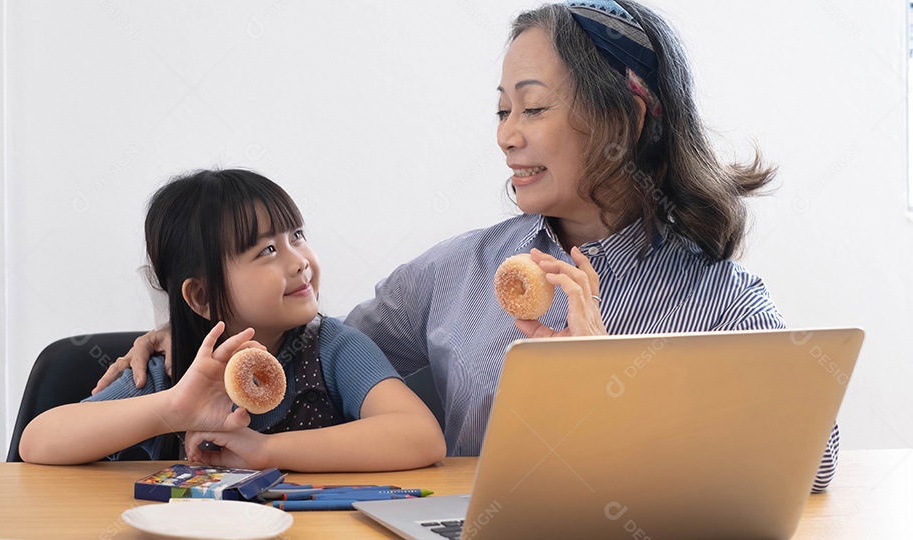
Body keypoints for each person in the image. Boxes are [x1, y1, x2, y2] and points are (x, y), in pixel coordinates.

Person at [95, 1, 839, 491]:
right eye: (502, 108)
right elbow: (318, 354)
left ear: (626, 116)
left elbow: (815, 463)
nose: (506, 134)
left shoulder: (716, 296)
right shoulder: (459, 271)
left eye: (535, 107)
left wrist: (614, 375)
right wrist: (195, 326)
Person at [20, 169, 445, 469]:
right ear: (201, 296)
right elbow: (38, 442)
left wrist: (265, 451)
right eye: (267, 251)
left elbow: (420, 437)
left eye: (296, 236)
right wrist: (172, 408)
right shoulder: (176, 374)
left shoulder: (333, 348)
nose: (300, 262)